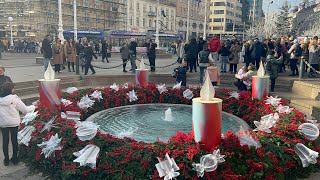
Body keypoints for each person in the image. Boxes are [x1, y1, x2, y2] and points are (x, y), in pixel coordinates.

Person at [0, 82, 35, 166]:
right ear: (11, 89)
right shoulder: (14, 99)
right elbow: (25, 110)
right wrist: (34, 106)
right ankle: (15, 158)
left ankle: (6, 160)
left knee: (5, 140)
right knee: (14, 140)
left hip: (3, 122)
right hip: (13, 122)